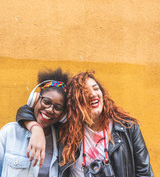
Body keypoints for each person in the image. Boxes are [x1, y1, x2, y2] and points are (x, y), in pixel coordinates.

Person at [16, 71, 154, 177]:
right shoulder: (67, 129)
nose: (93, 94)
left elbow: (144, 173)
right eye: (85, 92)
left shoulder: (127, 128)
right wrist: (36, 128)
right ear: (75, 103)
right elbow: (26, 111)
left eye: (96, 88)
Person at [0, 68, 70, 177]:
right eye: (46, 102)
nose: (50, 109)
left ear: (63, 115)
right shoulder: (10, 133)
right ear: (35, 100)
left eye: (57, 107)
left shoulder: (61, 143)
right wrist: (36, 128)